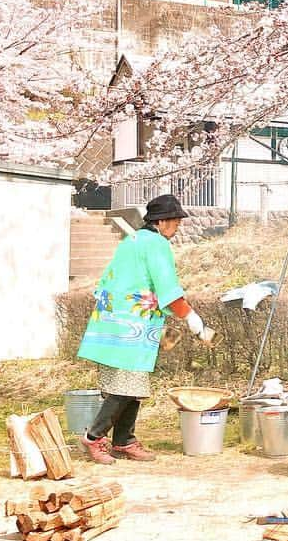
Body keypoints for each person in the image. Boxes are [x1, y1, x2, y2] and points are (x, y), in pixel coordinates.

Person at [77, 194, 213, 463]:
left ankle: (124, 441)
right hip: (132, 326)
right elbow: (168, 290)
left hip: (113, 322)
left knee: (132, 385)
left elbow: (112, 282)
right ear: (161, 222)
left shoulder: (131, 241)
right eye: (176, 222)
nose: (178, 227)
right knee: (123, 388)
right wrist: (193, 320)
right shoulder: (156, 245)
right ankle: (93, 438)